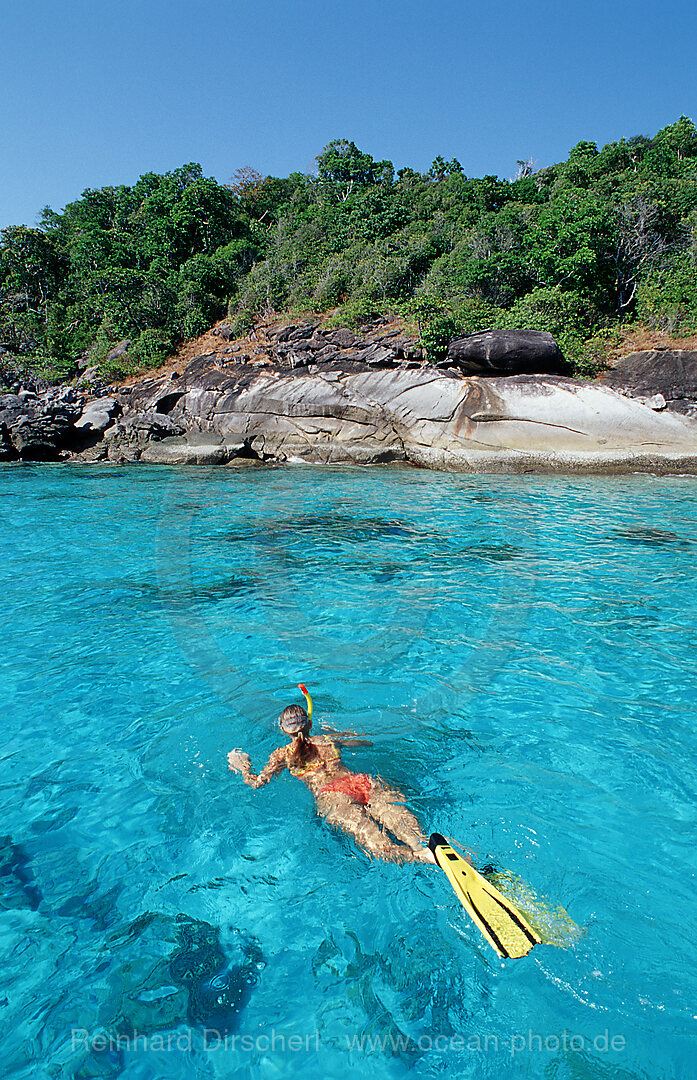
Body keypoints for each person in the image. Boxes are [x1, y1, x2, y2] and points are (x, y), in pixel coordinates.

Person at [227, 685, 436, 865]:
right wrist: (338, 731)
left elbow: (257, 783)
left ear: (283, 730)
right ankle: (424, 847)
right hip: (361, 782)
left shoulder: (282, 754)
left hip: (333, 795)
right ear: (309, 724)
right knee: (407, 828)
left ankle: (417, 857)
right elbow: (366, 742)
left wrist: (242, 766)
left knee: (381, 847)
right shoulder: (329, 739)